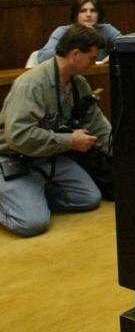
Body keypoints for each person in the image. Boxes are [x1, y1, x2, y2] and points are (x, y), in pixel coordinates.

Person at [0, 25, 112, 238]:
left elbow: (99, 127)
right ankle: (20, 200)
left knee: (88, 198)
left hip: (47, 158)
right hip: (13, 158)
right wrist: (69, 141)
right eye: (91, 58)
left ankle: (28, 197)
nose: (93, 63)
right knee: (32, 224)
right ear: (75, 54)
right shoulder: (31, 85)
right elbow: (18, 137)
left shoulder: (79, 85)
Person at [36, 0, 121, 63]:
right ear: (76, 15)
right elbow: (43, 57)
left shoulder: (106, 29)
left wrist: (114, 56)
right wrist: (71, 44)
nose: (88, 14)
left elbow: (127, 46)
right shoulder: (63, 31)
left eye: (93, 10)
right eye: (83, 11)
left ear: (99, 14)